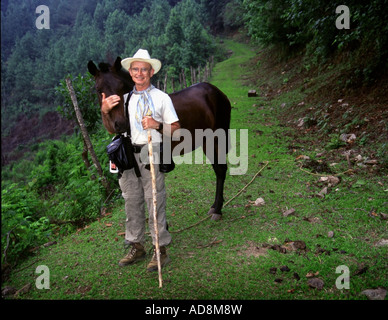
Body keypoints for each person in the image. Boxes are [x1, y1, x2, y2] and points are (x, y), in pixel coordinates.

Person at [101, 49, 180, 271]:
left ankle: (159, 250)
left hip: (151, 152)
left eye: (143, 69)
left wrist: (156, 125)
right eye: (135, 69)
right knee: (131, 201)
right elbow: (111, 130)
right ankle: (137, 245)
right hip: (127, 155)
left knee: (154, 200)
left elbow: (176, 130)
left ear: (151, 71)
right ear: (130, 72)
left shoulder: (161, 98)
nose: (139, 73)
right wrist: (104, 110)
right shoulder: (123, 99)